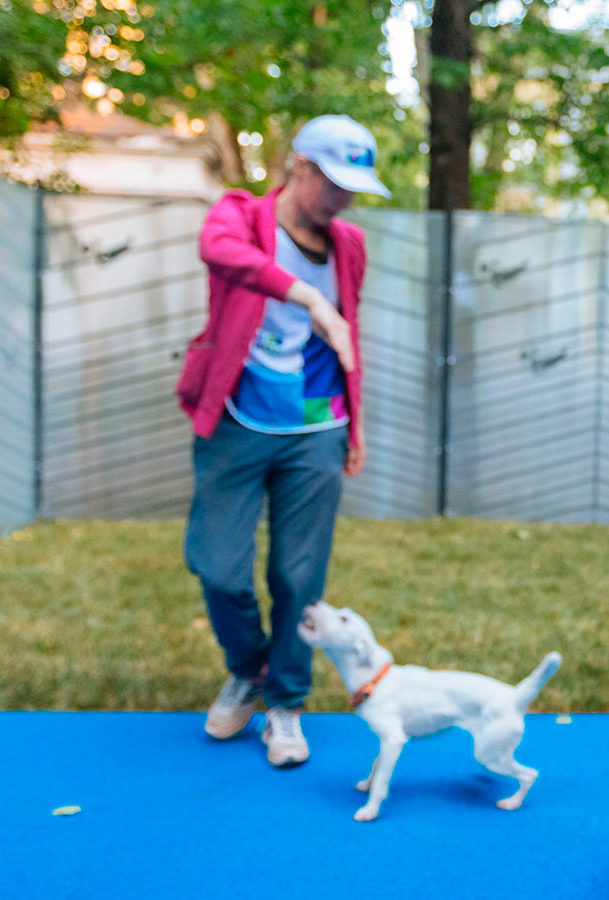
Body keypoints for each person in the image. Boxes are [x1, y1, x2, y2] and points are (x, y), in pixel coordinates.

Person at [175, 114, 386, 766]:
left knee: (299, 576)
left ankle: (286, 704)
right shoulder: (240, 216)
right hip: (239, 417)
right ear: (301, 167)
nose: (344, 199)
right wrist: (308, 298)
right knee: (218, 565)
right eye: (335, 183)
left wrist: (355, 424)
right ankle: (251, 669)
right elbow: (220, 252)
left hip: (317, 423)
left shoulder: (349, 244)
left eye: (353, 187)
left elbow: (346, 335)